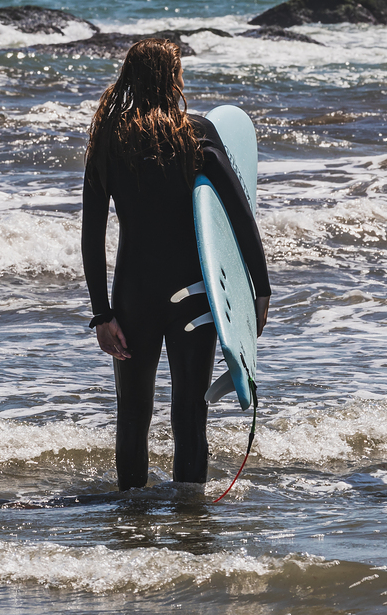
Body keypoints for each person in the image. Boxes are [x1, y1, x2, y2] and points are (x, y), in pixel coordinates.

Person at [82, 38, 272, 492]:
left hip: (133, 297)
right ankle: (190, 513)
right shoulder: (197, 133)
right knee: (191, 411)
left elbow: (91, 235)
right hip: (195, 297)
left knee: (132, 413)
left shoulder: (108, 139)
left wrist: (102, 314)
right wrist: (258, 290)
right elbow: (241, 215)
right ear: (173, 78)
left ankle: (130, 517)